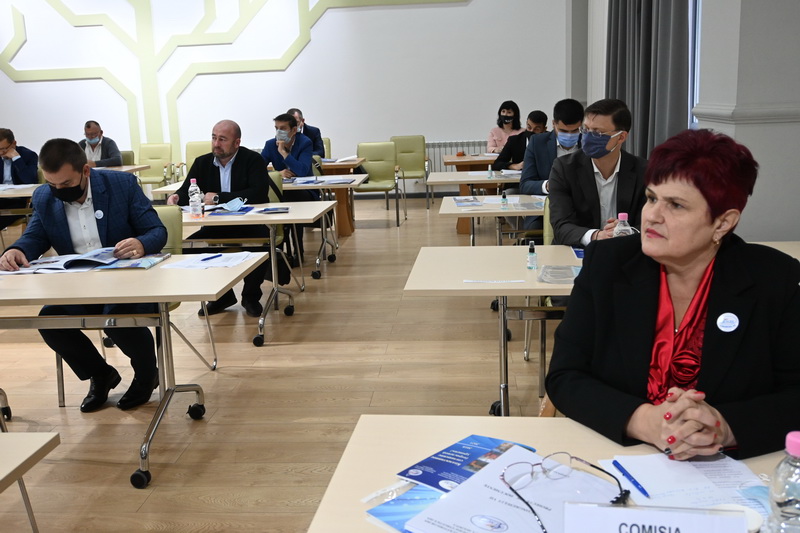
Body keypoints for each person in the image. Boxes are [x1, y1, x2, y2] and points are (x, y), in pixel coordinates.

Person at [545, 129, 800, 460]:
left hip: (730, 470)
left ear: (723, 223)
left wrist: (724, 426)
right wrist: (644, 421)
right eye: (651, 198)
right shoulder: (608, 264)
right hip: (619, 459)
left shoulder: (775, 280)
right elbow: (565, 376)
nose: (652, 215)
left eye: (676, 205)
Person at [0, 138, 166, 412]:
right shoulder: (44, 196)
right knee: (50, 321)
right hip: (78, 285)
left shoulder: (121, 185)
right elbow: (36, 236)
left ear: (85, 171)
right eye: (52, 184)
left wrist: (141, 243)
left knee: (117, 317)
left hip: (127, 283)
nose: (58, 190)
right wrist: (16, 250)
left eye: (65, 183)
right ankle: (100, 374)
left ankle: (147, 374)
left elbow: (157, 231)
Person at [167, 120, 270, 317]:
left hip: (248, 223)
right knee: (190, 248)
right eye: (214, 138)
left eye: (222, 139)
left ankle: (250, 297)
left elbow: (258, 193)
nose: (216, 144)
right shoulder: (202, 162)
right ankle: (222, 297)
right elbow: (187, 189)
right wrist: (177, 197)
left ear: (237, 142)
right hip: (215, 225)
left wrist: (218, 198)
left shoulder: (253, 160)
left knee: (262, 245)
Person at [548, 98, 647, 247]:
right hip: (578, 250)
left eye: (598, 132)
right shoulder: (564, 168)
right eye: (586, 129)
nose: (588, 137)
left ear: (621, 137)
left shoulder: (643, 171)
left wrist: (628, 231)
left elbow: (652, 223)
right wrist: (597, 235)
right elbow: (561, 226)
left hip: (625, 250)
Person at [518, 98, 585, 230]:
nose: (569, 135)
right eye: (563, 131)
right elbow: (525, 184)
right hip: (546, 209)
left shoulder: (588, 143)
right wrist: (549, 185)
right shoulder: (537, 143)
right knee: (535, 228)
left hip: (582, 209)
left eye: (574, 131)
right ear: (554, 124)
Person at [261, 113, 316, 259]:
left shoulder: (305, 143)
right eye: (276, 128)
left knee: (293, 200)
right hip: (282, 192)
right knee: (274, 201)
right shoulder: (270, 144)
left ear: (294, 130)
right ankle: (278, 252)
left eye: (283, 128)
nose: (279, 132)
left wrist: (284, 153)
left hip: (304, 191)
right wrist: (277, 173)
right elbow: (257, 170)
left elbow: (302, 171)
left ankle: (298, 251)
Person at [0, 128, 39, 230]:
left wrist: (16, 158)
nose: (1, 153)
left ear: (14, 144)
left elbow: (30, 180)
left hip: (18, 200)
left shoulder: (29, 155)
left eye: (3, 149)